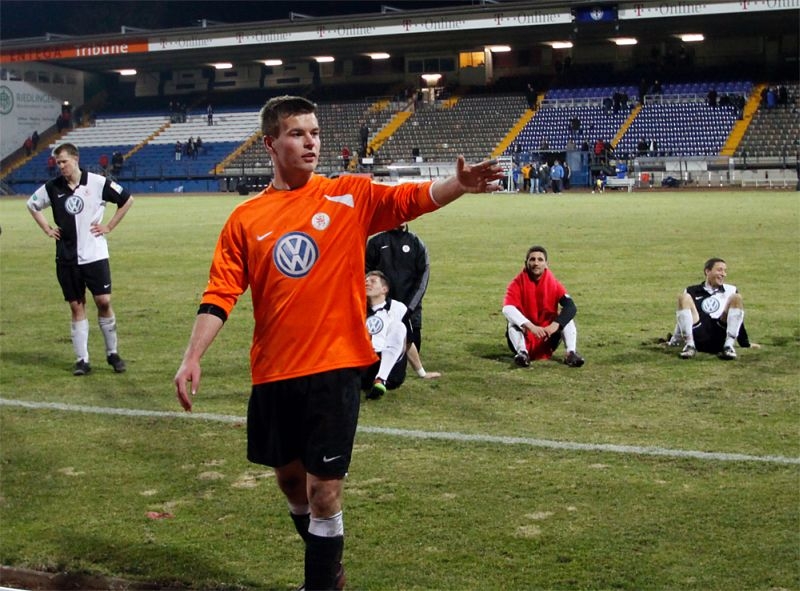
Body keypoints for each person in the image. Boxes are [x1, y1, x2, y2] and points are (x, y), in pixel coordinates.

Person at [173, 95, 502, 591]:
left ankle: (321, 583)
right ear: (271, 144)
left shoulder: (349, 195)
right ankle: (330, 565)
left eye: (315, 132)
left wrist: (458, 183)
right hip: (274, 372)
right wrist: (192, 356)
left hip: (336, 368)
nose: (311, 142)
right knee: (290, 483)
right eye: (297, 133)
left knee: (324, 492)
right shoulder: (245, 219)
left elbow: (408, 198)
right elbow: (220, 292)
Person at [26, 143, 133, 376]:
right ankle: (82, 360)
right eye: (57, 163)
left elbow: (127, 199)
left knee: (103, 301)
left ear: (75, 158)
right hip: (67, 257)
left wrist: (109, 226)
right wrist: (47, 229)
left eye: (64, 161)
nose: (60, 166)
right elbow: (32, 205)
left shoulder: (97, 182)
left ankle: (112, 353)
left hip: (95, 254)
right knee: (77, 307)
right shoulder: (53, 187)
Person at [366, 223, 441, 382]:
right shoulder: (376, 243)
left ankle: (384, 375)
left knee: (406, 336)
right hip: (378, 305)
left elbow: (423, 278)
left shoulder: (416, 244)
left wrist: (410, 308)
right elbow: (365, 274)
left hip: (408, 307)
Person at [502, 245, 585, 368]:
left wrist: (555, 325)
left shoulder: (554, 284)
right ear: (526, 263)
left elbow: (571, 307)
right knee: (512, 322)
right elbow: (507, 309)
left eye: (540, 260)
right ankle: (522, 353)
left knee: (566, 317)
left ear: (546, 264)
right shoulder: (517, 283)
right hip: (526, 334)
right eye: (532, 259)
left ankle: (571, 353)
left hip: (548, 336)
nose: (536, 263)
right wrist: (530, 326)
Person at [668, 258, 756, 360]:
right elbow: (683, 318)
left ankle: (728, 346)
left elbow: (737, 318)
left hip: (720, 332)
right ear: (707, 271)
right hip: (699, 332)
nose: (723, 274)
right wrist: (675, 340)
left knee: (736, 298)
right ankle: (690, 345)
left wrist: (745, 343)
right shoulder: (692, 290)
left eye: (725, 271)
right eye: (719, 270)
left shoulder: (731, 290)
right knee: (683, 297)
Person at [362, 271, 408, 399]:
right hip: (364, 364)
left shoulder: (398, 308)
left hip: (391, 368)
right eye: (365, 281)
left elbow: (407, 343)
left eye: (373, 281)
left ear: (384, 289)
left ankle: (381, 379)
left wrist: (421, 372)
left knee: (398, 327)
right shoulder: (356, 307)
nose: (367, 283)